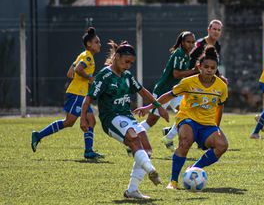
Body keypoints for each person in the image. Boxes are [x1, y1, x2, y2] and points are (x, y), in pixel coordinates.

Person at [80, 41, 167, 199]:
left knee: (147, 148)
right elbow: (88, 98)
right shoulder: (105, 75)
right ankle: (151, 170)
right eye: (126, 62)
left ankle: (132, 190)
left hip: (126, 115)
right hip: (111, 118)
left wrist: (158, 106)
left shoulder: (127, 75)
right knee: (133, 139)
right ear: (116, 57)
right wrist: (83, 119)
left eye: (131, 63)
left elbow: (142, 91)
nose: (128, 66)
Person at [134, 45, 228, 190]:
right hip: (188, 119)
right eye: (206, 67)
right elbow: (168, 95)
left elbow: (220, 107)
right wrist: (148, 108)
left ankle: (194, 169)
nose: (209, 70)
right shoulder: (188, 82)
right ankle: (173, 182)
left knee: (222, 145)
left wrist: (217, 126)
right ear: (199, 66)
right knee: (185, 142)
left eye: (213, 68)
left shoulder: (221, 86)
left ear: (216, 69)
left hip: (208, 124)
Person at [31, 27, 104, 159]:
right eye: (97, 42)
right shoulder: (88, 57)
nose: (100, 44)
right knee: (69, 121)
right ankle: (38, 135)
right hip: (77, 94)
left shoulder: (83, 55)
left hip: (80, 93)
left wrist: (81, 77)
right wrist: (89, 78)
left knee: (91, 120)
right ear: (89, 44)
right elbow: (78, 70)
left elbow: (70, 72)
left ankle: (89, 151)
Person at [162, 19, 227, 143]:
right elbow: (186, 59)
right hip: (191, 82)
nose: (216, 32)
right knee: (191, 111)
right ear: (208, 29)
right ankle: (171, 135)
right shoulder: (198, 44)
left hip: (203, 81)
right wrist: (190, 74)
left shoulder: (217, 45)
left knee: (191, 111)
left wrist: (220, 76)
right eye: (214, 28)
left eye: (219, 30)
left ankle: (170, 133)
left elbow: (213, 65)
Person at [138, 31, 198, 151]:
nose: (191, 44)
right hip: (163, 91)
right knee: (151, 122)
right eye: (188, 42)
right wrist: (194, 71)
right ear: (182, 42)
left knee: (186, 113)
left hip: (174, 92)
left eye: (193, 42)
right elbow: (176, 74)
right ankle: (132, 134)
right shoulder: (180, 53)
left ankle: (168, 136)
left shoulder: (185, 55)